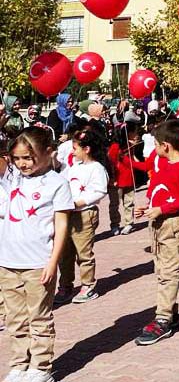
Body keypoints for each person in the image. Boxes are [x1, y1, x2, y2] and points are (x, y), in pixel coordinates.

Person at [0, 128, 73, 382]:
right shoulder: (10, 179)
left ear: (48, 154)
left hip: (38, 262)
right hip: (8, 262)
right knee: (15, 318)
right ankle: (20, 364)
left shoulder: (57, 183)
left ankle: (41, 366)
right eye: (17, 158)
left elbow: (62, 225)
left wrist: (53, 262)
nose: (23, 164)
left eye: (29, 158)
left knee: (39, 317)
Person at [134, 119, 179, 346]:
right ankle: (169, 310)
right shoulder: (165, 166)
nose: (153, 149)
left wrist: (162, 208)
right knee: (161, 268)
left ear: (166, 146)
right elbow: (160, 191)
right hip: (158, 223)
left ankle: (163, 319)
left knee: (169, 272)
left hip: (173, 224)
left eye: (155, 144)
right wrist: (148, 205)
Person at [55, 129, 111, 306]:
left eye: (75, 148)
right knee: (65, 253)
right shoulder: (74, 167)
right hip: (68, 214)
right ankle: (65, 285)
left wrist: (79, 202)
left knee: (83, 253)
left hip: (85, 215)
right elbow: (62, 182)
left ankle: (88, 285)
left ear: (86, 149)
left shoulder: (97, 168)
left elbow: (99, 191)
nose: (72, 152)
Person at [108, 122, 142, 236]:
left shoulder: (129, 145)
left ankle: (129, 223)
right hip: (116, 179)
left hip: (128, 177)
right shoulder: (115, 147)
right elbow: (111, 163)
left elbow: (133, 160)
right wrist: (112, 178)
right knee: (114, 204)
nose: (136, 134)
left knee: (129, 202)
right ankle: (115, 224)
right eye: (134, 132)